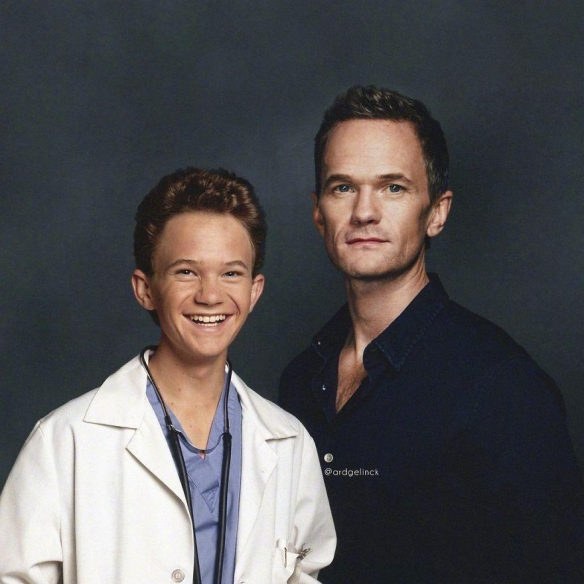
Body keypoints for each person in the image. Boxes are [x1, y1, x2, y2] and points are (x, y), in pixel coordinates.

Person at [279, 85, 584, 583]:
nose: (364, 212)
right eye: (343, 188)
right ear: (318, 213)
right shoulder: (300, 381)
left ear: (437, 213)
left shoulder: (502, 387)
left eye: (393, 188)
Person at [0, 167, 335, 584]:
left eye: (231, 273)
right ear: (145, 289)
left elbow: (305, 572)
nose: (210, 295)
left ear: (254, 291)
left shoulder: (290, 442)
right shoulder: (65, 441)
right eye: (186, 272)